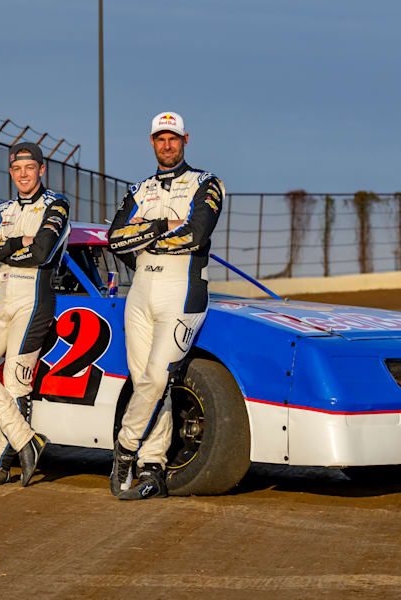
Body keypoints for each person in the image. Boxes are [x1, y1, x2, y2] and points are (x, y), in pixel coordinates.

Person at [106, 112, 225, 499]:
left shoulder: (206, 182)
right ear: (151, 141)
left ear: (185, 139)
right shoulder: (138, 188)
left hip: (183, 288)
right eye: (160, 138)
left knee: (158, 378)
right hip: (140, 290)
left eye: (173, 138)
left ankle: (124, 449)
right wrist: (162, 226)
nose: (167, 145)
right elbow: (115, 240)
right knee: (147, 383)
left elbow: (197, 233)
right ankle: (152, 466)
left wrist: (144, 231)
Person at [0, 142, 70, 487]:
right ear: (11, 173)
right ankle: (28, 440)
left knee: (14, 382)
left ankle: (0, 461)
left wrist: (4, 250)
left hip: (34, 299)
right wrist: (13, 245)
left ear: (41, 170)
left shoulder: (57, 204)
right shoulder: (3, 209)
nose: (23, 175)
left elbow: (40, 253)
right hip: (1, 300)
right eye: (17, 169)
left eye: (30, 168)